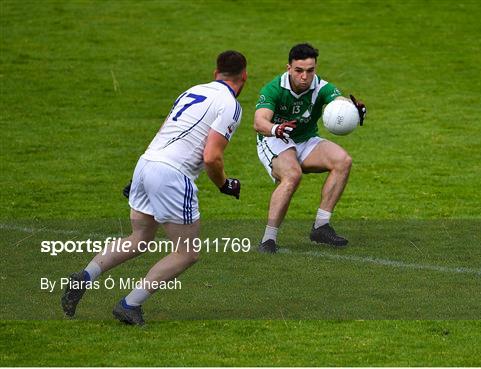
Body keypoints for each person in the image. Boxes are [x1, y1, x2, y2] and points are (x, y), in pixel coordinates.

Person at [61, 50, 248, 325]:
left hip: (147, 162)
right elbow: (211, 157)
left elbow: (164, 130)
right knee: (187, 252)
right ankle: (130, 304)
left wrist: (139, 178)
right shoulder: (230, 104)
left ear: (215, 72)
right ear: (244, 76)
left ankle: (86, 275)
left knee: (139, 238)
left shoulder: (192, 90)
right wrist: (225, 184)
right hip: (172, 174)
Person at [254, 43, 366, 253]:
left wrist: (352, 109)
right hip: (274, 139)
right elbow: (259, 122)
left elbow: (338, 100)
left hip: (305, 139)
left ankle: (321, 226)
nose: (305, 77)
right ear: (288, 68)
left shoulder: (321, 87)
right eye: (299, 71)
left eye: (310, 70)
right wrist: (276, 129)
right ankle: (268, 239)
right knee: (293, 176)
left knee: (343, 161)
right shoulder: (274, 89)